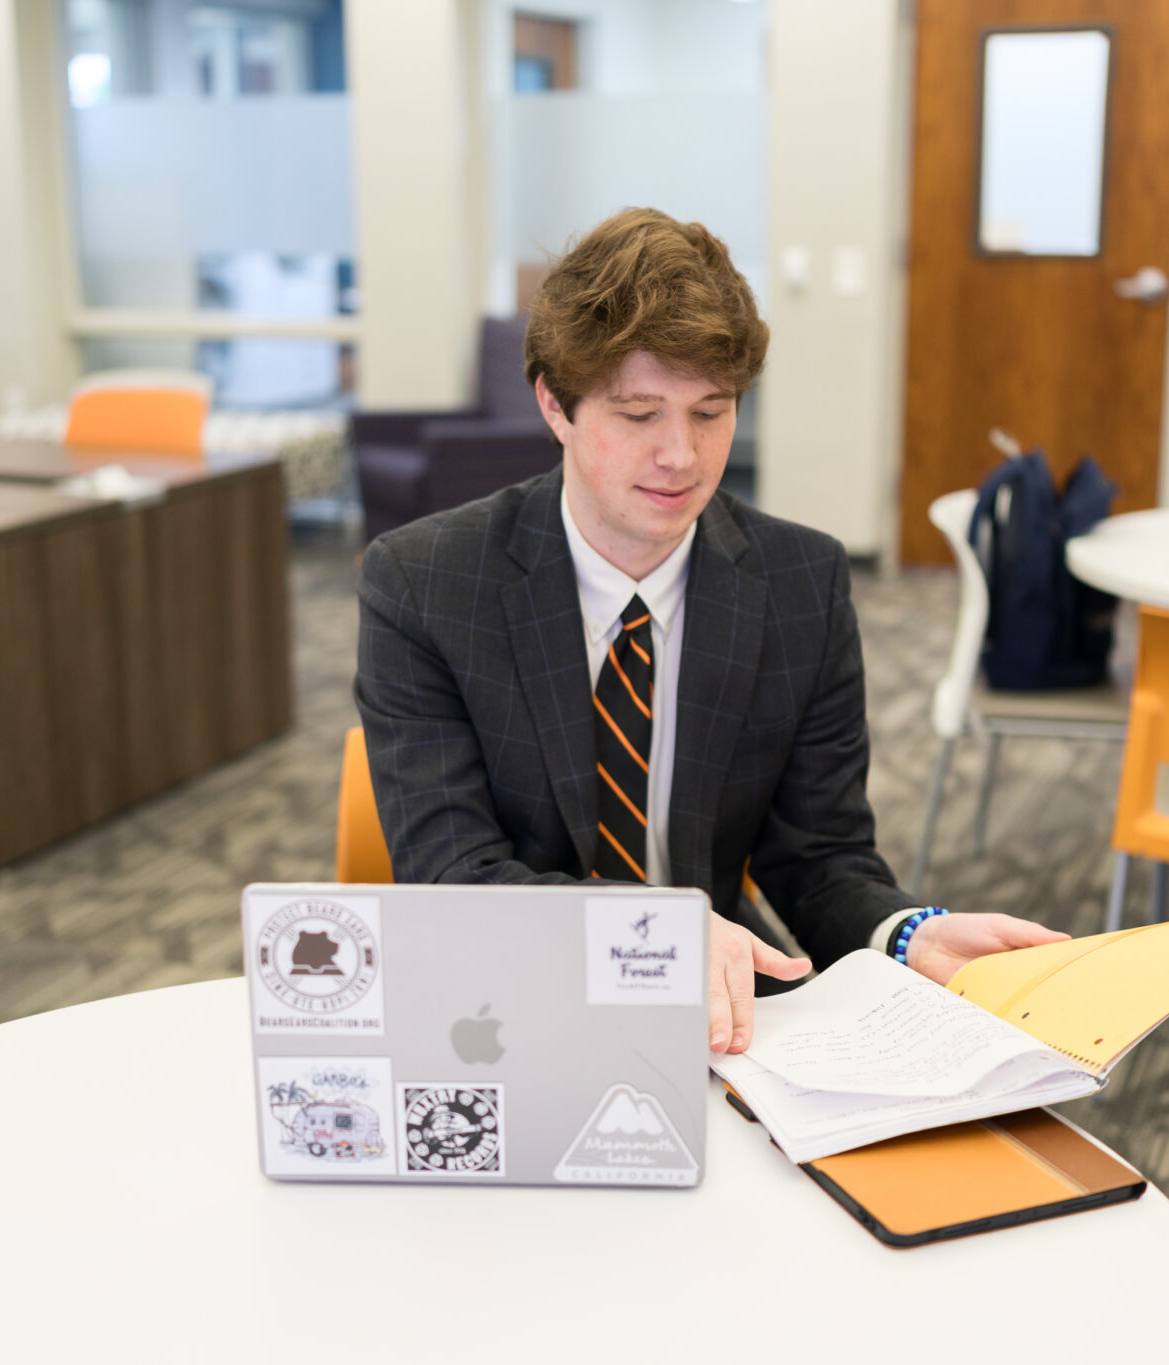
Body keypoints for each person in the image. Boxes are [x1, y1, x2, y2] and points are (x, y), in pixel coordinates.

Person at [355, 207, 1065, 1053]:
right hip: (508, 1008)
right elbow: (452, 875)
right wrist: (651, 936)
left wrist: (905, 933)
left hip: (720, 1012)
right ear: (556, 405)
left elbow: (821, 857)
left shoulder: (800, 581)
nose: (681, 456)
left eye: (710, 412)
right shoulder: (427, 581)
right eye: (639, 413)